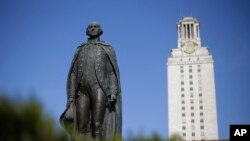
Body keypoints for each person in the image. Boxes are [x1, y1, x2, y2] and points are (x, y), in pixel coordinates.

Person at [60, 22, 122, 140]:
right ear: (87, 30)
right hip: (81, 91)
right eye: (90, 27)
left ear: (100, 30)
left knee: (97, 124)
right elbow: (73, 73)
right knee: (81, 126)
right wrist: (71, 98)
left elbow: (112, 72)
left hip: (100, 88)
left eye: (95, 27)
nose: (92, 29)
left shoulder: (107, 49)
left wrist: (113, 92)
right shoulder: (80, 49)